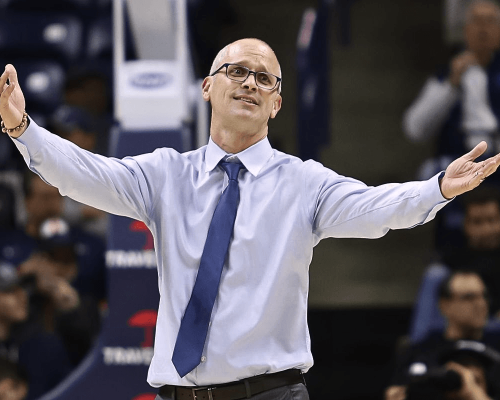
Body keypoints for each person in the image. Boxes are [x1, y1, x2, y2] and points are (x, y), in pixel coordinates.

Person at [2, 38, 500, 400]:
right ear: (207, 87)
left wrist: (437, 188)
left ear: (277, 103)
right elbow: (87, 175)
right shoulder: (165, 174)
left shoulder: (303, 182)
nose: (250, 83)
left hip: (270, 394)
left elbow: (374, 208)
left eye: (264, 78)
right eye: (236, 71)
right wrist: (24, 129)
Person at [403, 0, 500, 180]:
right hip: (456, 164)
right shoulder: (447, 74)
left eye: (490, 21)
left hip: (497, 162)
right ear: (465, 30)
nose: (483, 29)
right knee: (429, 173)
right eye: (477, 21)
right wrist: (451, 85)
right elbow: (414, 129)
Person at [385, 270, 500, 399]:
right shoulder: (419, 352)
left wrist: (474, 394)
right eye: (469, 297)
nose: (481, 304)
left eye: (484, 296)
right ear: (444, 304)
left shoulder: (496, 350)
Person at [0, 261, 72, 400]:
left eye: (23, 287)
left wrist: (71, 309)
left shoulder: (44, 347)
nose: (22, 295)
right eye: (9, 290)